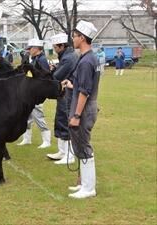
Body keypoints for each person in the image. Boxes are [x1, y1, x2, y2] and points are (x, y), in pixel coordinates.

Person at [61, 20, 100, 199]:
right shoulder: (90, 58)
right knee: (80, 146)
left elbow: (84, 92)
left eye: (75, 36)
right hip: (87, 107)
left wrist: (76, 115)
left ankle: (88, 188)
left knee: (84, 147)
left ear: (82, 38)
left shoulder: (85, 61)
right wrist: (71, 84)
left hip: (83, 110)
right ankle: (84, 184)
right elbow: (82, 85)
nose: (73, 39)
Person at [46, 33, 79, 165]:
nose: (54, 49)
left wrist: (54, 71)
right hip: (64, 93)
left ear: (61, 46)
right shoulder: (65, 56)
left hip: (69, 93)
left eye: (55, 47)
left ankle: (70, 155)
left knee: (66, 121)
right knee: (60, 119)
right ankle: (62, 151)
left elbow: (57, 76)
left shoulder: (69, 58)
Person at [17, 38, 51, 149]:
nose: (29, 50)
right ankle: (27, 139)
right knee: (27, 116)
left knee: (38, 116)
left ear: (36, 48)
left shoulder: (42, 60)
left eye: (30, 48)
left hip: (37, 94)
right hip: (30, 93)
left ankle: (46, 140)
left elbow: (43, 78)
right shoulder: (35, 59)